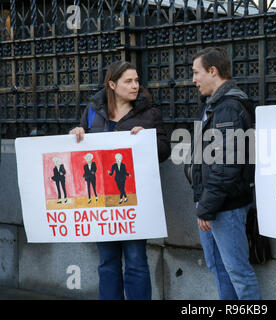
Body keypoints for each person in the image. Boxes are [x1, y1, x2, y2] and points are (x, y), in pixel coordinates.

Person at [69, 60, 170, 300]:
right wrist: (76, 134)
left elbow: (164, 150)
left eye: (136, 81)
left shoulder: (148, 113)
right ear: (112, 84)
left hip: (134, 201)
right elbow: (81, 150)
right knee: (107, 261)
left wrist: (147, 140)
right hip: (101, 202)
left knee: (135, 260)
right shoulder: (93, 111)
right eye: (128, 81)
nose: (135, 86)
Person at [185, 47, 261, 300]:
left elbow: (227, 165)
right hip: (213, 203)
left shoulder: (228, 107)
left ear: (213, 71)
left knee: (238, 272)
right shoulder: (215, 104)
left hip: (223, 206)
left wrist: (207, 206)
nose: (193, 79)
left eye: (196, 73)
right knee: (219, 268)